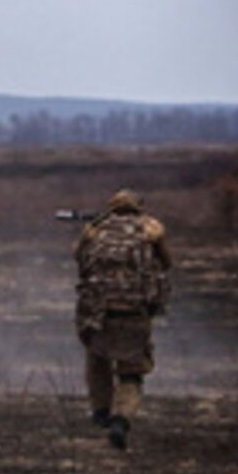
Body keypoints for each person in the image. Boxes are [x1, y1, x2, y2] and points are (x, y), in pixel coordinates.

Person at [74, 189, 172, 450]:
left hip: (98, 314)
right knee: (130, 374)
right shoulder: (150, 230)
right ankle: (120, 420)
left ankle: (101, 411)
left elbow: (80, 262)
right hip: (134, 314)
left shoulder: (95, 230)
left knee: (98, 361)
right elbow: (166, 264)